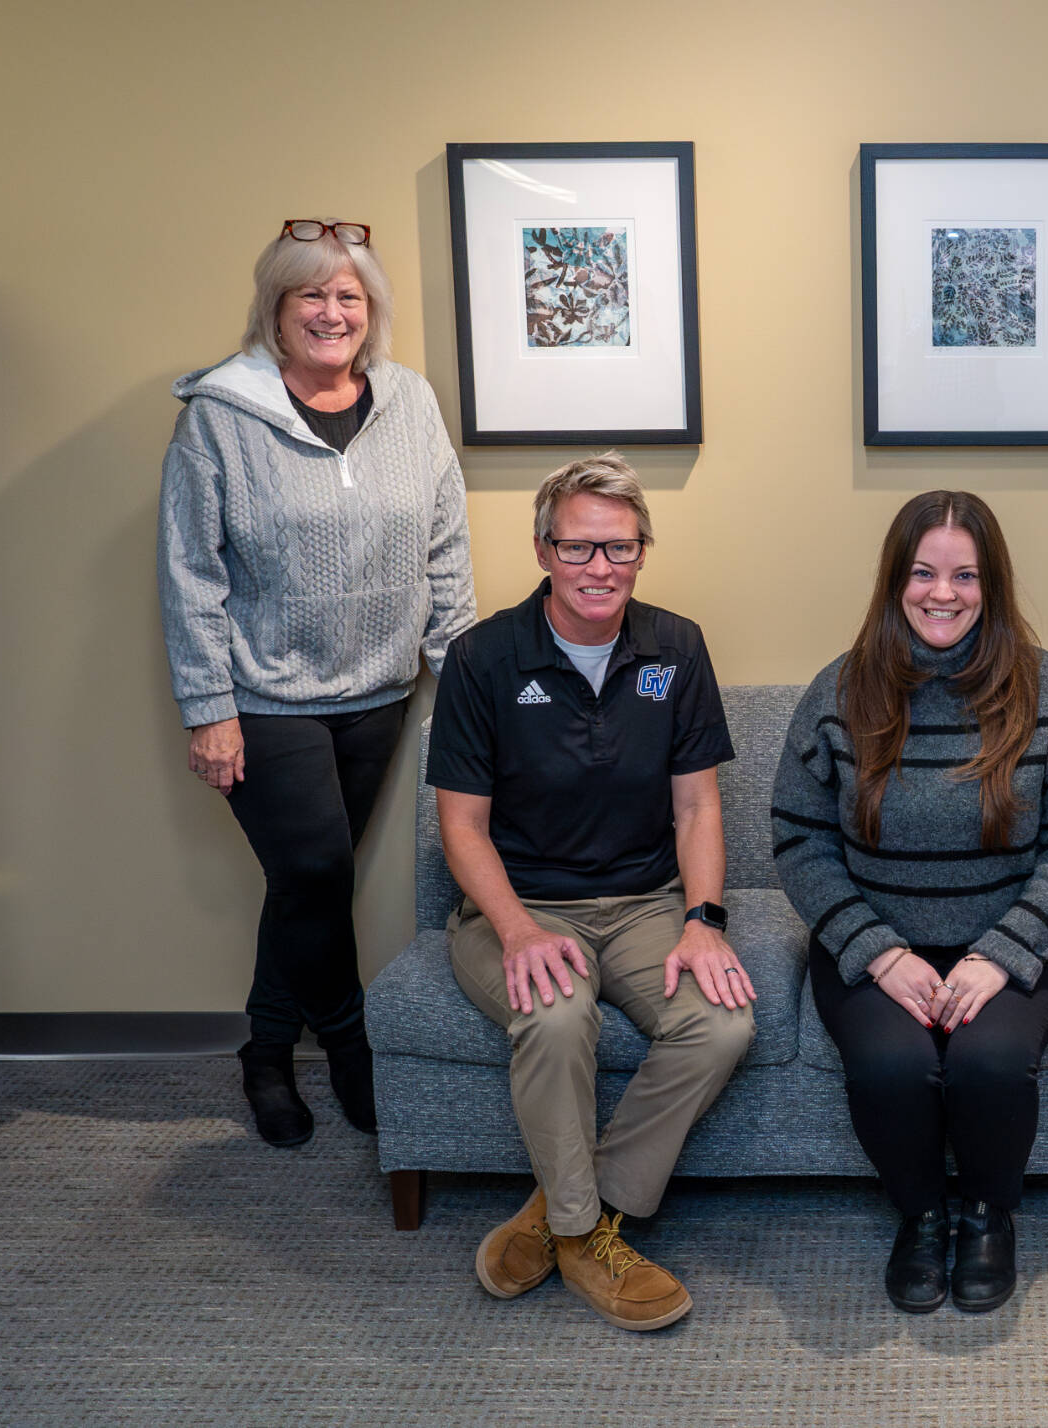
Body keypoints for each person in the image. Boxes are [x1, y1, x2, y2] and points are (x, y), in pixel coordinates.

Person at [158, 218, 474, 1149]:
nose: (332, 311)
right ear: (277, 308)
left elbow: (445, 542)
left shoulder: (409, 401)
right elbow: (190, 572)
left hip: (378, 692)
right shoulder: (219, 416)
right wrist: (209, 710)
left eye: (349, 295)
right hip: (265, 703)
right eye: (312, 294)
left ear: (369, 311)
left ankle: (263, 1048)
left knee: (302, 889)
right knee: (315, 872)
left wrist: (461, 676)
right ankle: (347, 1045)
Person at [427, 454, 754, 1332]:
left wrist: (703, 921)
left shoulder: (675, 647)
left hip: (646, 905)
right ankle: (586, 1240)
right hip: (519, 906)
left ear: (642, 552)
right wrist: (519, 933)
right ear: (542, 550)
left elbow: (697, 805)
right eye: (578, 549)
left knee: (723, 1023)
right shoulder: (484, 658)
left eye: (619, 548)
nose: (600, 568)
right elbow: (461, 828)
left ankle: (571, 1210)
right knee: (558, 1013)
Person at [772, 491, 1048, 1314]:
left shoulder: (1046, 688)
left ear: (990, 585)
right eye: (923, 573)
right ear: (895, 582)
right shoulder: (840, 691)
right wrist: (881, 953)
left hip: (1010, 938)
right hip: (874, 941)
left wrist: (999, 955)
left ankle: (989, 1215)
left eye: (964, 575)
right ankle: (922, 1216)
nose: (942, 593)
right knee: (894, 1065)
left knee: (988, 1062)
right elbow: (797, 839)